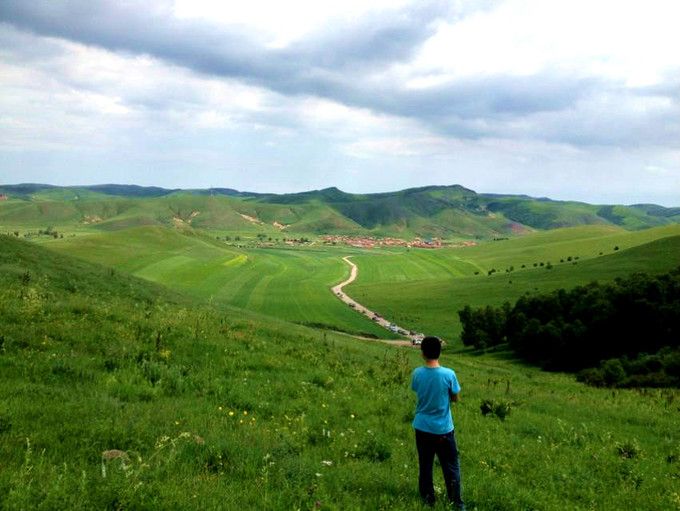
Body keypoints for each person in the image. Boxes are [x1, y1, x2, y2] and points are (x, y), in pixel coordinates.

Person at [411, 336, 464, 509]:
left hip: (422, 427)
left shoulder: (417, 373)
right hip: (443, 429)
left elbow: (418, 390)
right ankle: (456, 503)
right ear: (440, 352)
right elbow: (455, 398)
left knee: (425, 465)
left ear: (422, 353)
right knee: (451, 466)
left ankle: (428, 499)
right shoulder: (449, 374)